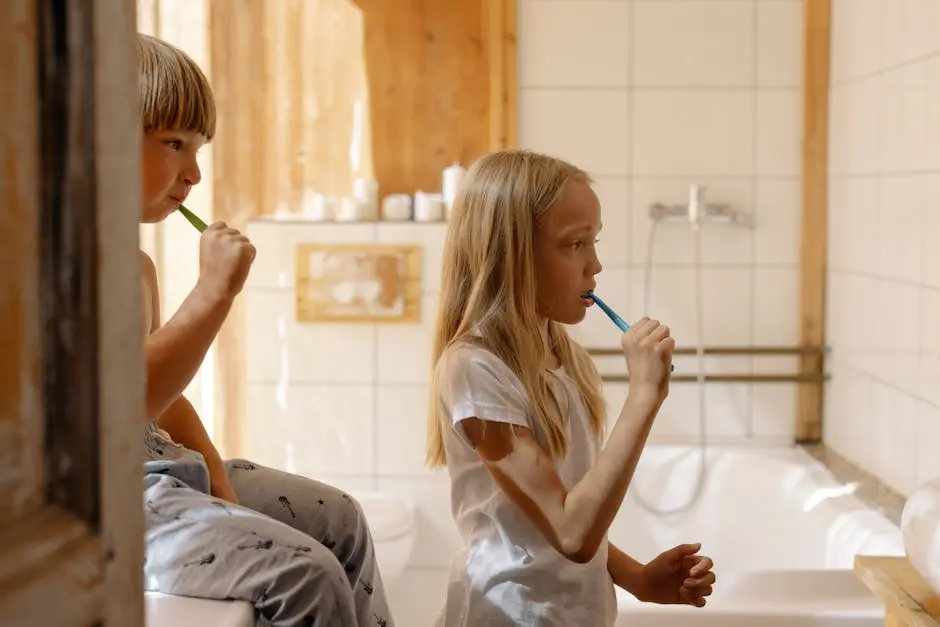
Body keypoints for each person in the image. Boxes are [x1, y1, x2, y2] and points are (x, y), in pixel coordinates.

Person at [136, 33, 395, 627]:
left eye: (198, 149)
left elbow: (163, 403)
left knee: (341, 519)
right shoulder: (53, 267)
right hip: (104, 501)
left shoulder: (137, 266)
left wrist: (217, 477)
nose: (194, 173)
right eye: (175, 143)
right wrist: (213, 292)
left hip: (161, 471)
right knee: (307, 574)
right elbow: (122, 407)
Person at [425, 150, 717, 626]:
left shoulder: (563, 356)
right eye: (574, 244)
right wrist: (644, 397)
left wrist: (638, 578)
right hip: (510, 614)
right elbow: (571, 532)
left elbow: (553, 526)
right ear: (512, 256)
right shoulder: (476, 369)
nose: (595, 265)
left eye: (593, 241)